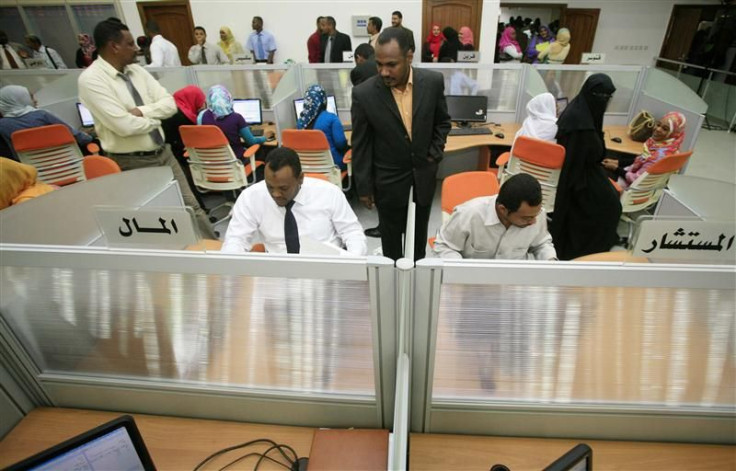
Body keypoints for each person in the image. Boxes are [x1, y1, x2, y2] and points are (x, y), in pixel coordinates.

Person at [78, 18, 215, 239]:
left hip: (164, 153)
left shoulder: (137, 72)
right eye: (130, 44)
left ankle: (217, 255)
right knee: (155, 219)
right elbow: (124, 126)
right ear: (114, 46)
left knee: (193, 209)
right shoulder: (91, 80)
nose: (137, 49)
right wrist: (155, 116)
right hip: (132, 162)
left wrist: (141, 112)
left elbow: (170, 105)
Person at [351, 27, 451, 261]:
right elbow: (361, 144)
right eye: (379, 64)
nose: (384, 72)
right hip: (387, 180)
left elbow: (442, 122)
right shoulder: (364, 94)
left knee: (417, 245)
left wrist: (433, 154)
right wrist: (363, 187)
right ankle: (392, 292)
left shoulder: (433, 82)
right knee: (391, 245)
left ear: (409, 56)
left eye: (391, 65)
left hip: (423, 176)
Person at [222, 147, 367, 255]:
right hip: (278, 272)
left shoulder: (329, 193)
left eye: (283, 188)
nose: (276, 194)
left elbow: (352, 232)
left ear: (300, 178)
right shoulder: (251, 197)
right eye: (270, 187)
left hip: (324, 267)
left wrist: (353, 262)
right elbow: (236, 240)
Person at [550, 74, 622, 260]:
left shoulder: (585, 112)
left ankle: (597, 249)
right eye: (601, 96)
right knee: (606, 206)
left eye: (608, 97)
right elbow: (575, 164)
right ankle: (585, 252)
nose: (604, 102)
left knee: (612, 202)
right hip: (578, 181)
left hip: (588, 172)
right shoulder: (579, 124)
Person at [433, 173, 557, 260]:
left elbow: (542, 244)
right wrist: (461, 273)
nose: (533, 222)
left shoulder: (535, 215)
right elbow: (444, 246)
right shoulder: (469, 214)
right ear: (503, 209)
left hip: (512, 284)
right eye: (526, 218)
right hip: (472, 283)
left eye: (536, 215)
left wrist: (550, 262)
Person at [0, 85, 93, 161]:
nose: (35, 101)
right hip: (67, 164)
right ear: (21, 99)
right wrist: (90, 135)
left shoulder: (2, 126)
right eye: (31, 98)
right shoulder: (42, 115)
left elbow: (12, 155)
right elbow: (79, 137)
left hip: (35, 173)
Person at [602, 112, 687, 189]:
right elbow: (642, 159)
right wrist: (617, 162)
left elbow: (636, 180)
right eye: (658, 124)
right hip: (633, 176)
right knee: (608, 159)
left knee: (596, 170)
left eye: (665, 129)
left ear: (674, 133)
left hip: (627, 186)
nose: (658, 129)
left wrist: (616, 168)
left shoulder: (658, 156)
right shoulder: (670, 148)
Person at [197, 85, 273, 163]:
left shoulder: (201, 116)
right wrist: (265, 137)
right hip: (236, 161)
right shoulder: (236, 118)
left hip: (213, 162)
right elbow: (251, 142)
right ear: (228, 98)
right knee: (264, 152)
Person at [297, 84, 348, 170]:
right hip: (333, 166)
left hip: (309, 167)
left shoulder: (300, 122)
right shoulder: (332, 118)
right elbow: (340, 144)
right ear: (323, 100)